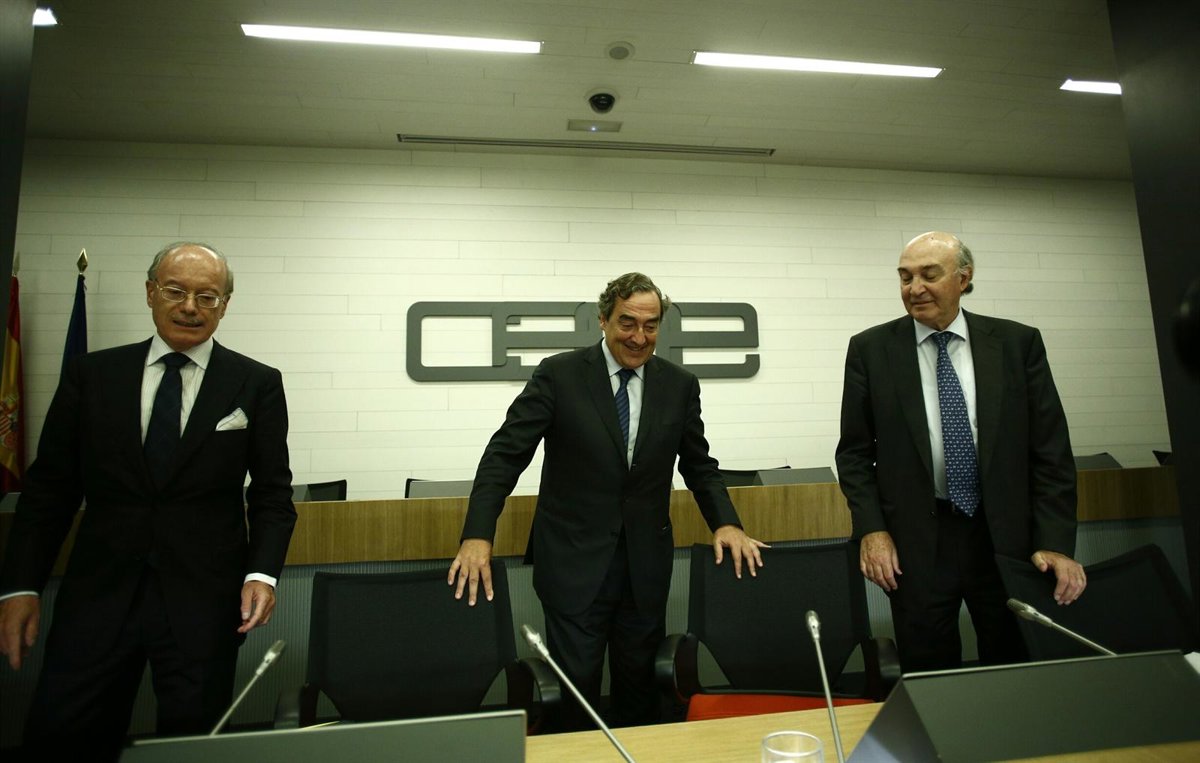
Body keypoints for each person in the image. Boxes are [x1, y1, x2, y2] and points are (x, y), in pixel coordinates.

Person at [0, 242, 296, 759]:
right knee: (62, 735)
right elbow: (50, 491)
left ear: (225, 305)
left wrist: (262, 574)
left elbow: (272, 493)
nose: (190, 307)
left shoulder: (256, 383)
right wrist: (21, 584)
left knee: (194, 747)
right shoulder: (92, 375)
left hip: (203, 605)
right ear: (150, 292)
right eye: (176, 291)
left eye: (207, 296)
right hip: (97, 599)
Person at [448, 272, 765, 729]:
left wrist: (726, 522)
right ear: (603, 319)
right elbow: (504, 456)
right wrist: (478, 534)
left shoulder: (679, 385)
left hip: (644, 569)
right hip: (573, 565)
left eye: (650, 325)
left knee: (640, 695)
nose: (639, 337)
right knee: (576, 694)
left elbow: (699, 465)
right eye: (627, 323)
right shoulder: (559, 375)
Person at [835, 231, 1086, 672]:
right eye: (905, 277)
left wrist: (1056, 543)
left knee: (1015, 665)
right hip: (916, 544)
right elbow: (854, 455)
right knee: (930, 672)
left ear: (963, 278)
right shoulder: (871, 350)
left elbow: (1050, 452)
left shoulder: (1017, 344)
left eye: (929, 275)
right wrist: (872, 530)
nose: (915, 288)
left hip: (1005, 540)